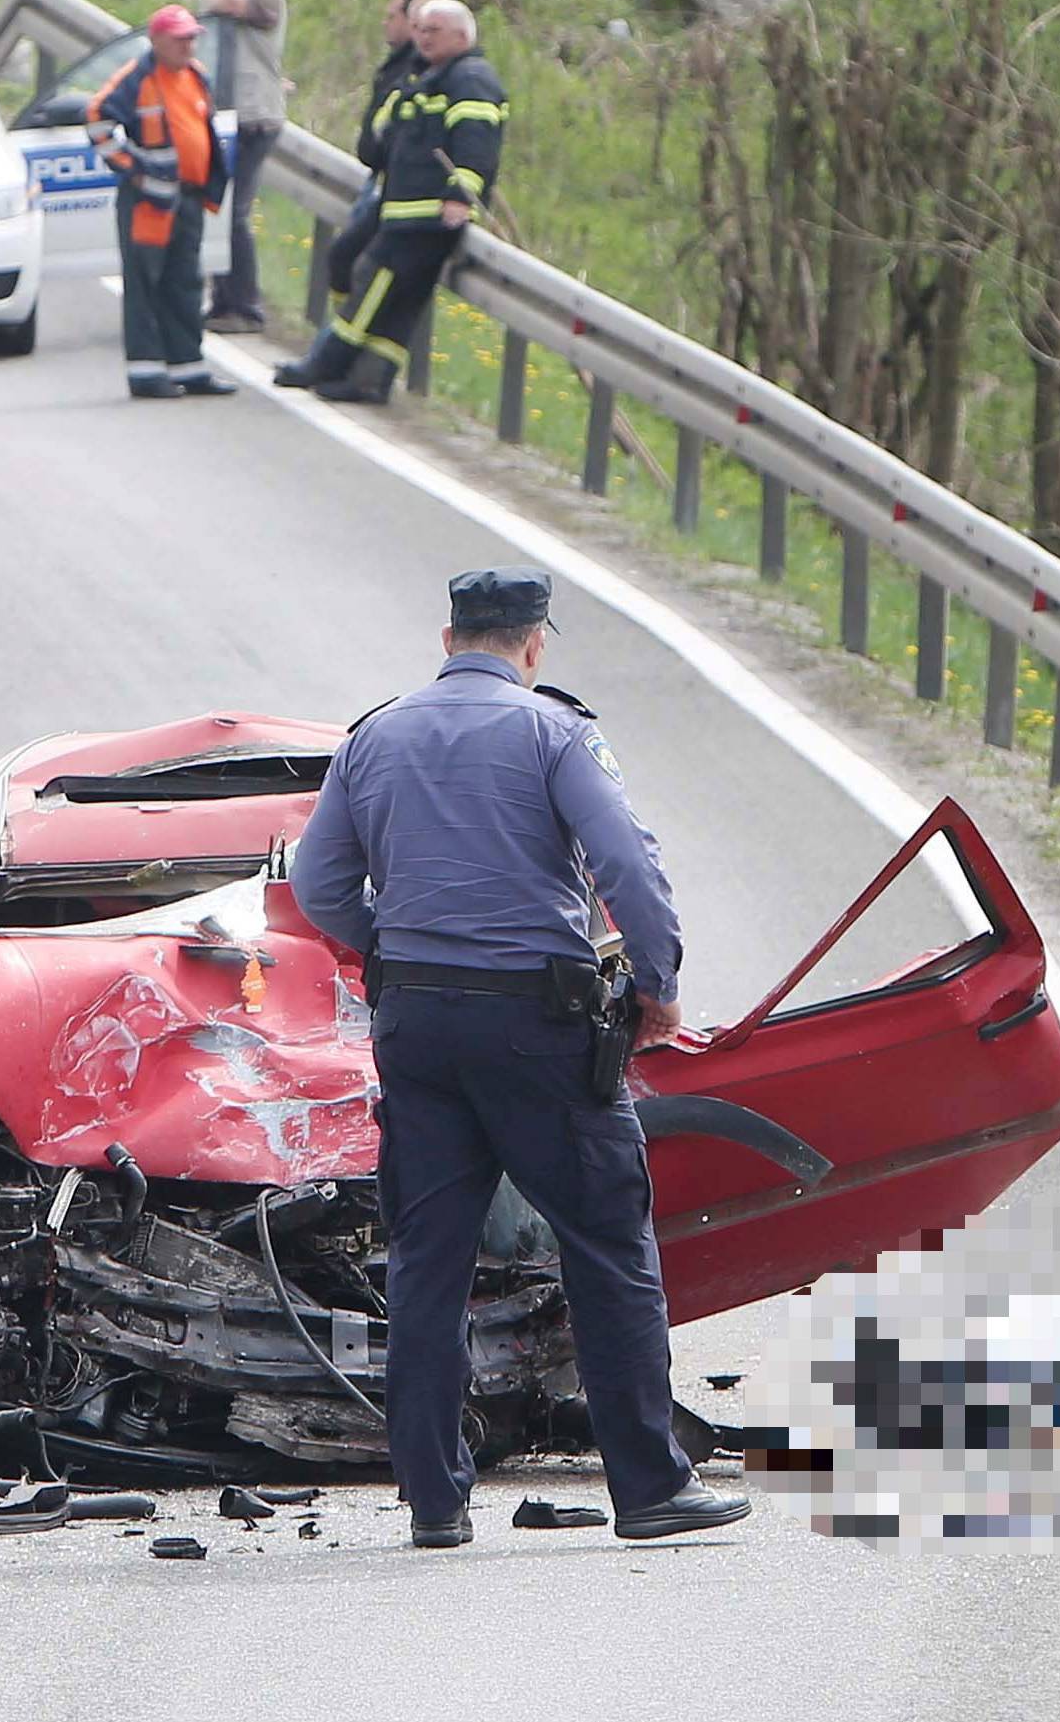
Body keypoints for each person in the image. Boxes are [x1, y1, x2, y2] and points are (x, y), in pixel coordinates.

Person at [289, 567, 751, 1548]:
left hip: (415, 1023)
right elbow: (627, 862)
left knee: (427, 1258)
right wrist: (658, 984)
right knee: (607, 1244)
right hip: (536, 1028)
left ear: (448, 636)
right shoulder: (556, 733)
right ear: (535, 644)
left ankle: (435, 1502)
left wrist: (388, 947)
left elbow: (317, 881)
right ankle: (652, 1488)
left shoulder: (374, 736)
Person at [274, 0, 505, 404]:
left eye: (435, 30)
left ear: (462, 36)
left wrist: (459, 197)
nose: (424, 37)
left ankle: (325, 363)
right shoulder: (426, 77)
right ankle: (369, 379)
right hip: (402, 209)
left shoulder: (472, 80)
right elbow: (385, 133)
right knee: (400, 304)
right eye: (421, 29)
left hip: (428, 215)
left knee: (372, 284)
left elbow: (476, 146)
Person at [86, 6, 237, 399]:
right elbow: (98, 119)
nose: (188, 45)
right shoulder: (137, 78)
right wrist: (134, 169)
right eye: (180, 39)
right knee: (145, 282)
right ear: (156, 41)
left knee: (185, 282)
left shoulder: (195, 75)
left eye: (192, 37)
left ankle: (188, 366)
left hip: (187, 197)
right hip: (148, 201)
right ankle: (146, 372)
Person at [200, 0, 287, 333]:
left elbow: (221, 0)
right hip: (227, 117)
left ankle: (246, 306)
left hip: (254, 117)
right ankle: (222, 302)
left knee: (234, 213)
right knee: (219, 210)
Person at [321, 0, 429, 309]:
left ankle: (339, 339)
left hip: (389, 186)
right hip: (377, 177)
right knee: (345, 259)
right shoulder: (398, 64)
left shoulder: (415, 70)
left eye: (391, 16)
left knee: (348, 259)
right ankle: (334, 336)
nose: (385, 23)